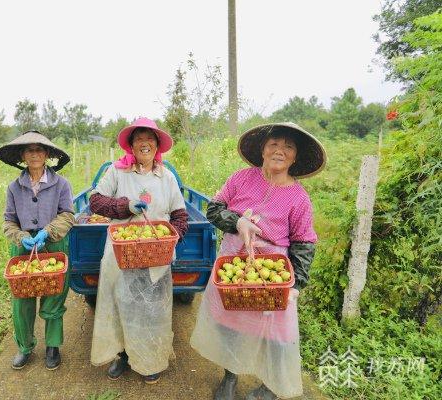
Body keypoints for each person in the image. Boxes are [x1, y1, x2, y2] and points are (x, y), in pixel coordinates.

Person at [190, 122, 327, 400]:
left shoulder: (299, 198)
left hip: (271, 273)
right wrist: (238, 220)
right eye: (274, 143)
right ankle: (230, 376)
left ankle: (269, 386)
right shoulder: (241, 178)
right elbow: (214, 209)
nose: (280, 150)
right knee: (230, 323)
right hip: (233, 265)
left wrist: (296, 284)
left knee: (273, 333)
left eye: (289, 146)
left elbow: (304, 241)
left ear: (295, 157)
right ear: (263, 149)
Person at [88, 117, 189, 384]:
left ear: (157, 146)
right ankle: (122, 354)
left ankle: (150, 360)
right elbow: (95, 201)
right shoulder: (117, 172)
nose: (145, 143)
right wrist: (125, 206)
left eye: (150, 139)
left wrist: (170, 239)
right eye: (139, 139)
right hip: (122, 254)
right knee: (122, 302)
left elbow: (180, 216)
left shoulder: (166, 176)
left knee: (153, 309)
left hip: (155, 256)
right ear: (131, 146)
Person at [0, 131, 75, 370]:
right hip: (23, 248)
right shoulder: (14, 187)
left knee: (54, 295)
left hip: (54, 244)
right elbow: (8, 221)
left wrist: (47, 231)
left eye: (39, 150)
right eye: (29, 150)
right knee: (22, 297)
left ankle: (52, 345)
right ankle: (25, 346)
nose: (35, 154)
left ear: (47, 154)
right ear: (22, 155)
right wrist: (21, 236)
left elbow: (68, 215)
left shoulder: (61, 184)